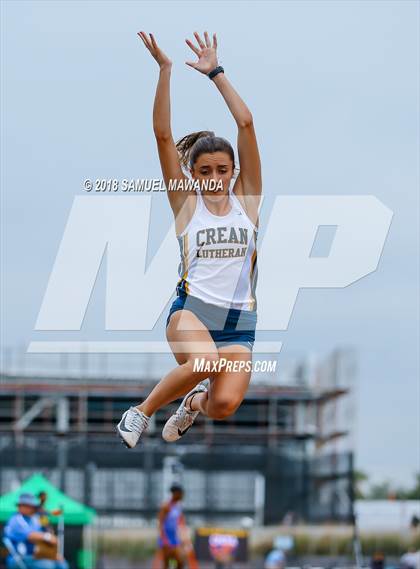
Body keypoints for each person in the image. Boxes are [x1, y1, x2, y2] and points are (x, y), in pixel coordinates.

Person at [117, 30, 262, 449]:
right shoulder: (186, 205)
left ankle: (193, 402)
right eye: (205, 172)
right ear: (193, 175)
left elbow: (246, 122)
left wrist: (215, 72)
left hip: (238, 325)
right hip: (191, 314)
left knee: (225, 405)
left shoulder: (247, 202)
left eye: (222, 170)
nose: (214, 178)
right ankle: (140, 412)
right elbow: (163, 135)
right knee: (204, 360)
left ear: (233, 172)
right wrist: (166, 71)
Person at [3, 493, 68, 569]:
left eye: (33, 507)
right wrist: (48, 537)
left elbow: (46, 533)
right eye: (28, 506)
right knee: (47, 565)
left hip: (36, 556)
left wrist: (53, 555)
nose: (32, 509)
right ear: (20, 506)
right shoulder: (16, 519)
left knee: (62, 564)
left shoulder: (35, 519)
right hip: (19, 557)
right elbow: (30, 536)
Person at [157, 484, 186, 569]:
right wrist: (165, 540)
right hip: (166, 539)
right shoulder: (166, 506)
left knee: (180, 562)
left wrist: (182, 538)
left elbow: (179, 523)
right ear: (175, 493)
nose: (182, 496)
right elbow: (160, 524)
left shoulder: (178, 506)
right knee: (167, 564)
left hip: (175, 539)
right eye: (181, 493)